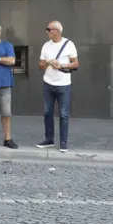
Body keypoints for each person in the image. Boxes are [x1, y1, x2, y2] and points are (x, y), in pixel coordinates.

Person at [36, 21, 77, 152]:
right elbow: (40, 65)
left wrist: (62, 66)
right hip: (48, 83)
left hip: (64, 84)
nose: (47, 32)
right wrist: (48, 62)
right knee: (47, 112)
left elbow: (76, 64)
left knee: (64, 114)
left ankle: (63, 142)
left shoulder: (69, 44)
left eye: (49, 29)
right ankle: (49, 139)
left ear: (57, 31)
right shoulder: (46, 46)